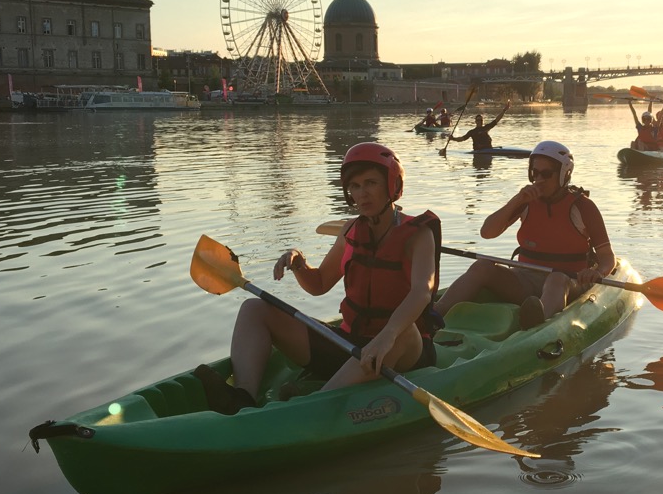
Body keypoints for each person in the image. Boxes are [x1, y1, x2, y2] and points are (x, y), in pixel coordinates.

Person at [197, 143, 442, 415]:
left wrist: (387, 335)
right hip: (350, 345)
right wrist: (299, 264)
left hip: (403, 348)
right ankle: (242, 397)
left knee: (405, 331)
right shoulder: (350, 231)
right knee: (254, 308)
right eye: (355, 186)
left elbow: (422, 291)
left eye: (371, 183)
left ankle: (310, 407)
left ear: (392, 184)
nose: (362, 193)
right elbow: (320, 284)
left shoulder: (418, 234)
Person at [434, 140, 614, 330]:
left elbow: (607, 257)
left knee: (557, 278)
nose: (539, 179)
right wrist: (517, 200)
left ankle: (538, 320)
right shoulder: (526, 201)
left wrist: (598, 272)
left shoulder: (584, 207)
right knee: (482, 265)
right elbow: (487, 232)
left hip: (569, 281)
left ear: (564, 174)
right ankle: (437, 312)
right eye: (535, 173)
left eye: (546, 174)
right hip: (525, 279)